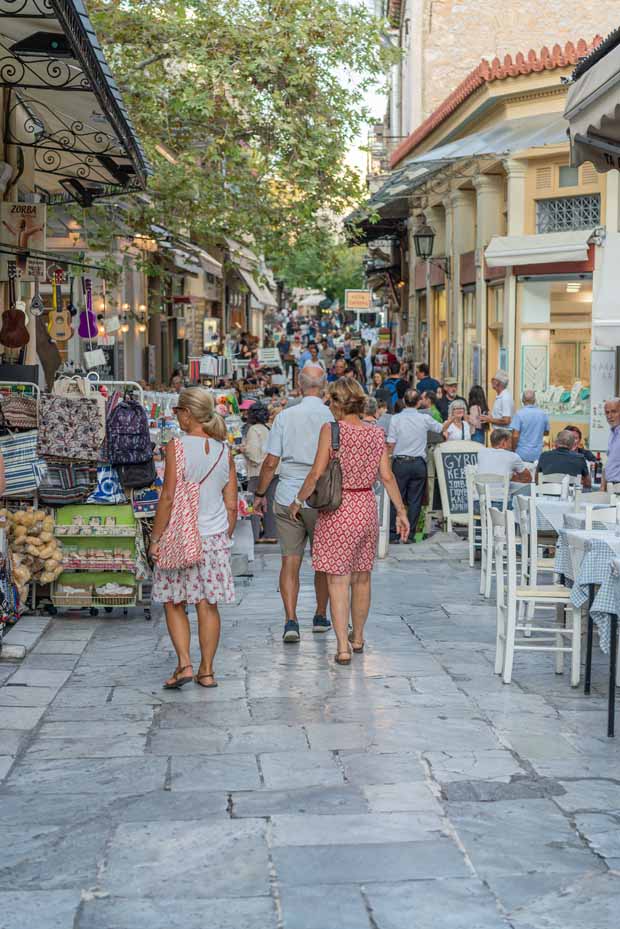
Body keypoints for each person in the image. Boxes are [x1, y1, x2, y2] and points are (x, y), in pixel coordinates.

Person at [290, 378, 409, 664]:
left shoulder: (331, 431)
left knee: (338, 581)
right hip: (366, 507)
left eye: (331, 400)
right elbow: (388, 476)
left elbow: (316, 473)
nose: (328, 405)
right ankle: (359, 638)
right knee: (362, 578)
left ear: (340, 403)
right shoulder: (375, 433)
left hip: (338, 510)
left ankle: (342, 646)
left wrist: (298, 500)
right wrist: (401, 511)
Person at [150, 388, 237, 690]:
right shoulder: (224, 451)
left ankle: (185, 664)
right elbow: (231, 503)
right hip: (213, 537)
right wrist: (223, 534)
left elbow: (169, 496)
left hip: (179, 537)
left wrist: (156, 537)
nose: (177, 417)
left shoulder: (177, 447)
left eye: (178, 412)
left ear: (187, 414)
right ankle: (207, 671)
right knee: (207, 604)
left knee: (174, 601)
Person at [253, 364, 333, 641]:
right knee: (323, 561)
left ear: (299, 386)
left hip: (288, 495)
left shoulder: (286, 417)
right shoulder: (333, 416)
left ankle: (291, 620)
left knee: (290, 560)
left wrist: (261, 493)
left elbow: (271, 461)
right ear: (323, 386)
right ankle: (321, 614)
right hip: (323, 496)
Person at [386, 389, 446, 543]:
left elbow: (391, 443)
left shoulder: (396, 419)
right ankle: (410, 535)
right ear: (419, 402)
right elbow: (441, 428)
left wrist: (386, 460)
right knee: (415, 501)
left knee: (396, 498)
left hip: (400, 463)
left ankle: (393, 534)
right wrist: (452, 419)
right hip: (419, 464)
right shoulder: (424, 418)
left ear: (404, 402)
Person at [243, 404, 278, 544]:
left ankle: (254, 534)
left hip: (258, 471)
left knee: (253, 503)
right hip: (274, 471)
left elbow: (254, 454)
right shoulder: (268, 428)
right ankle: (271, 533)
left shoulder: (253, 430)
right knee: (270, 504)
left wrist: (243, 449)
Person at [510, 389, 549, 462]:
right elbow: (546, 432)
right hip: (537, 453)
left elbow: (515, 435)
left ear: (522, 400)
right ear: (534, 400)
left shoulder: (519, 414)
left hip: (521, 453)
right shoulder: (543, 414)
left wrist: (513, 449)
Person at [602, 398, 620, 490]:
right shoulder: (612, 433)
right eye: (607, 412)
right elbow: (610, 463)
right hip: (611, 486)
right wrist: (602, 487)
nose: (609, 416)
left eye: (614, 411)